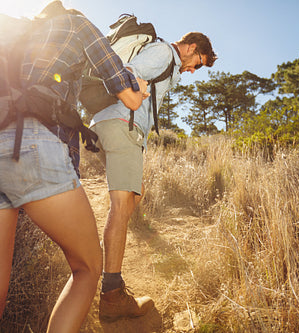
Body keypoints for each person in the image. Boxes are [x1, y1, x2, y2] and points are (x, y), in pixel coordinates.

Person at [0, 1, 149, 332]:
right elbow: (128, 96)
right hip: (32, 142)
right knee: (88, 268)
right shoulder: (76, 24)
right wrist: (141, 88)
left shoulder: (16, 30)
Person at [89, 32, 217, 322]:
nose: (194, 70)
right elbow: (129, 73)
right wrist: (140, 88)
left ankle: (105, 255)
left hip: (114, 123)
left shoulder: (169, 64)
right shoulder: (163, 52)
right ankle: (111, 293)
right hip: (122, 124)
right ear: (192, 48)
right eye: (198, 62)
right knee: (121, 207)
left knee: (135, 194)